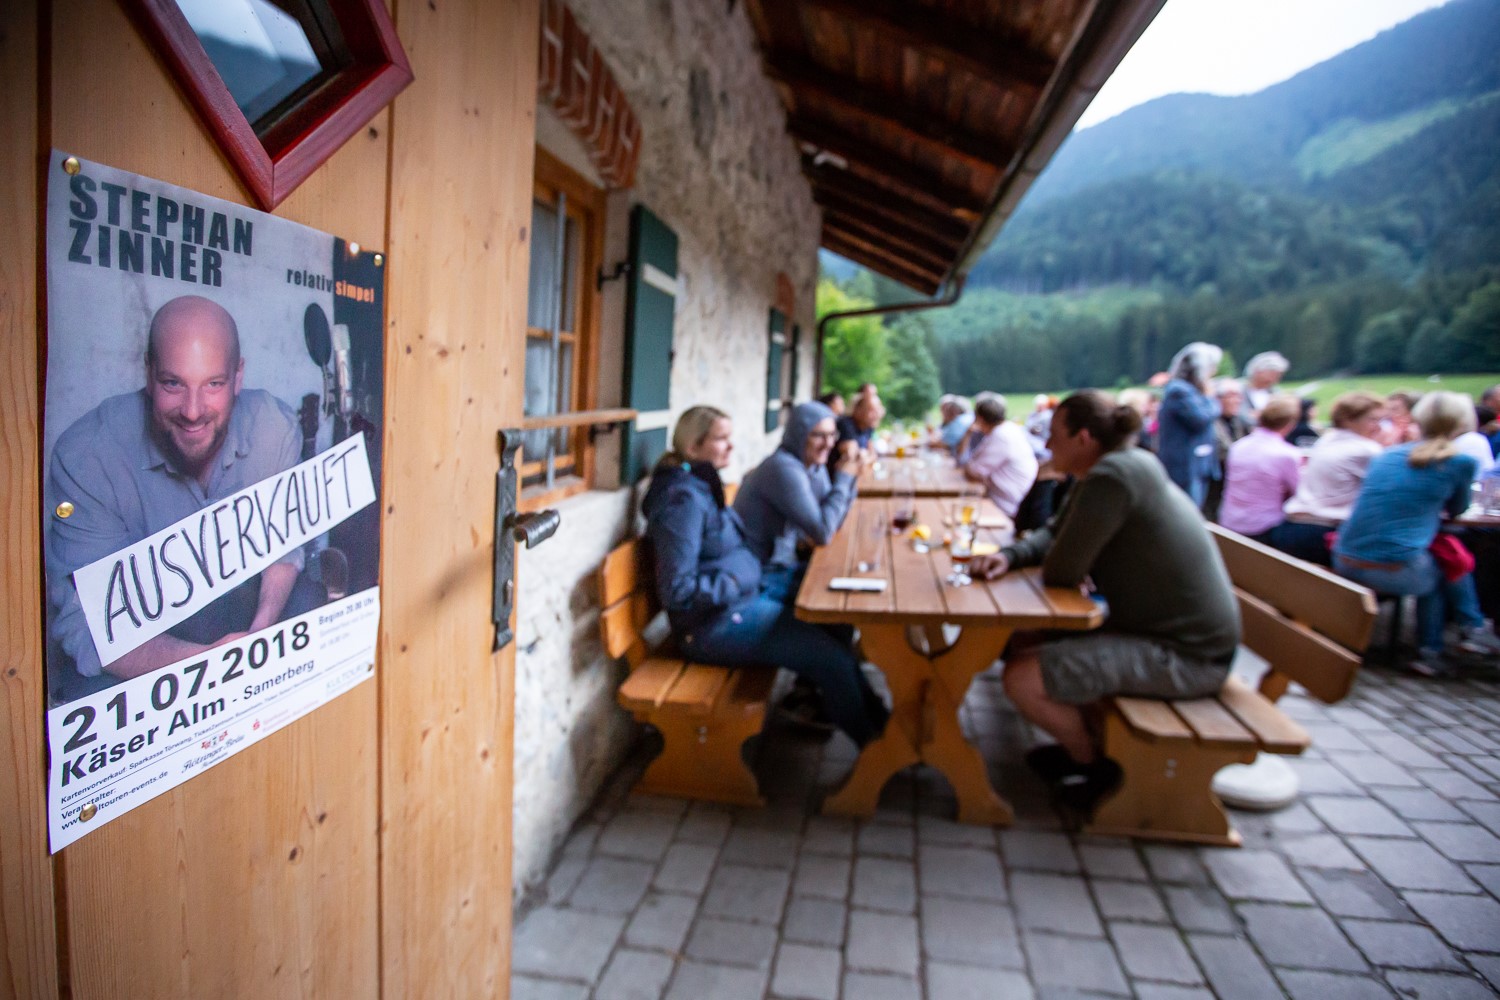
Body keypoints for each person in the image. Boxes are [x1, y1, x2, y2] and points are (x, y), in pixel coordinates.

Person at [970, 391, 1239, 809]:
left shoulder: (1112, 478)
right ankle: (1088, 747)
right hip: (1165, 635)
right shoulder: (1117, 467)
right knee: (1021, 639)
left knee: (1022, 679)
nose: (1047, 444)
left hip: (1187, 656)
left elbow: (1061, 568)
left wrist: (1065, 559)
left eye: (1055, 435)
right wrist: (1009, 556)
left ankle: (1098, 770)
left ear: (1084, 438)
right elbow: (1055, 534)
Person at [45, 295, 315, 701]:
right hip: (146, 650)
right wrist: (209, 664)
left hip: (239, 619)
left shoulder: (275, 429)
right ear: (149, 373)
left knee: (307, 598)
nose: (192, 411)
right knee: (85, 688)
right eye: (173, 383)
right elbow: (88, 626)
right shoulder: (87, 456)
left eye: (213, 384)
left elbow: (285, 549)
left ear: (238, 377)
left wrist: (258, 635)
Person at [643, 406, 887, 745]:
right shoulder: (681, 501)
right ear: (693, 447)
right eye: (721, 439)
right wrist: (736, 581)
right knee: (829, 658)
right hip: (710, 626)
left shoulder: (699, 484)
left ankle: (882, 728)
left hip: (743, 598)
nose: (731, 446)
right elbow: (677, 591)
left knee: (834, 627)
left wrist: (743, 576)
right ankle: (876, 748)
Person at [1333, 391, 1500, 676]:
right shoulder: (1460, 462)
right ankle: (1454, 638)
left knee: (1440, 561)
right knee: (1448, 567)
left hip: (1344, 556)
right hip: (1391, 568)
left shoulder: (1387, 455)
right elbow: (1458, 510)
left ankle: (1451, 642)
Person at [737, 400, 861, 588]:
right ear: (799, 434)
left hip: (787, 564)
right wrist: (844, 478)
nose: (828, 444)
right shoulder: (783, 467)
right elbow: (823, 532)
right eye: (818, 435)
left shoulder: (812, 465)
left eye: (832, 435)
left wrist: (851, 477)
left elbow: (834, 518)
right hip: (763, 575)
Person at [1275, 391, 1385, 566]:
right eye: (1373, 420)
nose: (1379, 427)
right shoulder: (1367, 449)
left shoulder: (1327, 439)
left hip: (1290, 528)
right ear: (1348, 420)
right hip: (1324, 534)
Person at [1218, 395, 1302, 543]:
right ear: (1290, 424)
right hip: (1263, 527)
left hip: (1229, 522)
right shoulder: (1287, 454)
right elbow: (1298, 491)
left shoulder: (1237, 447)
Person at [1156, 342, 1223, 509]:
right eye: (1212, 367)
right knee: (1186, 511)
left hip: (1198, 465)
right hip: (1185, 468)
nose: (1214, 371)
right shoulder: (1179, 391)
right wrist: (1210, 397)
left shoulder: (1189, 391)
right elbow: (1200, 419)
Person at [959, 394, 1039, 519]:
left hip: (1008, 509)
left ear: (979, 419)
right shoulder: (1008, 429)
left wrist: (969, 465)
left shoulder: (1001, 436)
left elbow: (973, 472)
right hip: (1010, 503)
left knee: (960, 511)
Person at [1204, 378, 1251, 521]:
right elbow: (1223, 451)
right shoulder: (1208, 422)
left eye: (1238, 396)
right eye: (1231, 396)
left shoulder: (1241, 422)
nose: (1237, 400)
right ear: (1216, 399)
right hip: (1215, 482)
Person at [829, 391, 883, 471]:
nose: (877, 414)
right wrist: (864, 455)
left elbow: (873, 454)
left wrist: (864, 455)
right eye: (872, 410)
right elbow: (850, 454)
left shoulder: (868, 427)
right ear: (858, 411)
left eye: (878, 410)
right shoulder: (846, 424)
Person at [1241, 351, 1289, 419]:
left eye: (1279, 374)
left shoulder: (1277, 394)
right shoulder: (1238, 391)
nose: (1276, 377)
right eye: (1272, 373)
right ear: (1257, 371)